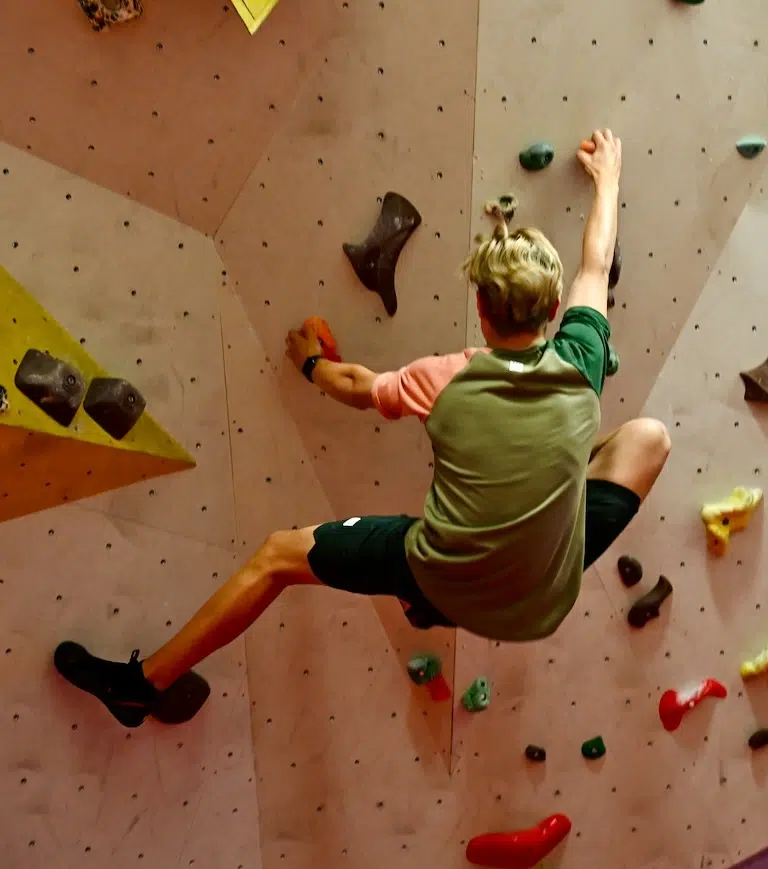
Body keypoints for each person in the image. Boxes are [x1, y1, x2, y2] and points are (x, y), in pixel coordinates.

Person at [53, 128, 671, 728]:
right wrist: (608, 178)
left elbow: (356, 388)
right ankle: (504, 538)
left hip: (446, 575)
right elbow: (596, 261)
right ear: (557, 307)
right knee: (649, 438)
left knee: (276, 556)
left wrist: (311, 362)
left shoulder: (445, 377)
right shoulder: (584, 356)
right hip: (541, 604)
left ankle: (139, 689)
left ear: (481, 310)